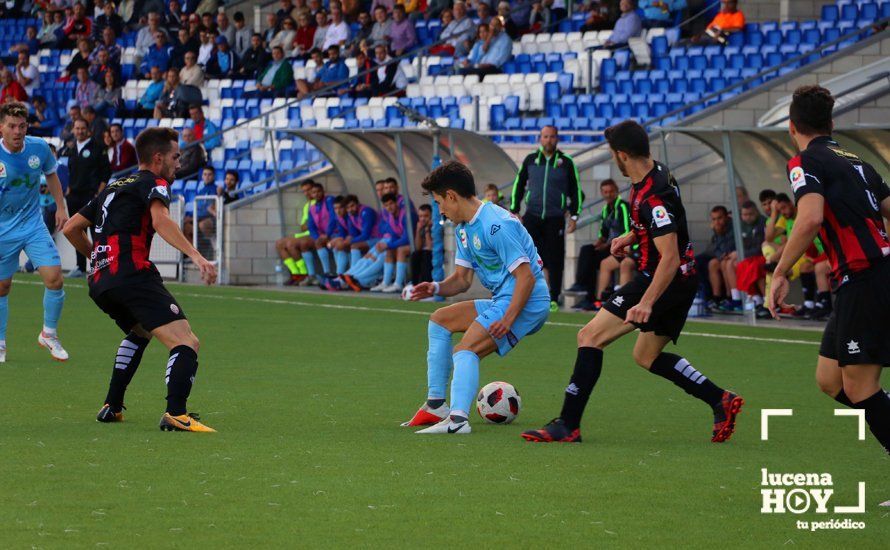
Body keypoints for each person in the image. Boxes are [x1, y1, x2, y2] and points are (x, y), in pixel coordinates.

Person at [522, 120, 744, 444]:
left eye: (613, 154)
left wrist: (647, 302)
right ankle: (719, 399)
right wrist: (630, 236)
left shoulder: (654, 195)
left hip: (661, 279)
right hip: (680, 279)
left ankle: (568, 423)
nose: (614, 159)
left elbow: (668, 256)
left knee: (589, 336)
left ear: (622, 155)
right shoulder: (655, 173)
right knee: (646, 356)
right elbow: (668, 225)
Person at [62, 126, 219, 432]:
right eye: (175, 157)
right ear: (158, 158)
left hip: (100, 283)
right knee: (186, 341)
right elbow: (161, 221)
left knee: (140, 331)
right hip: (132, 275)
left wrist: (98, 259)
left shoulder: (113, 186)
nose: (179, 163)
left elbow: (70, 228)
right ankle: (176, 414)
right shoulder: (154, 182)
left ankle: (112, 405)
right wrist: (197, 256)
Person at [768, 85, 890, 455]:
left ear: (792, 127)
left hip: (865, 276)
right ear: (831, 123)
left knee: (860, 387)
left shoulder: (805, 162)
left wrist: (780, 272)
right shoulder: (857, 160)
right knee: (829, 379)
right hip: (861, 279)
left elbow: (809, 219)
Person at [402, 161, 550, 434]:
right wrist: (434, 288)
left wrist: (508, 318)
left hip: (527, 300)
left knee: (465, 349)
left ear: (451, 196)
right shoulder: (463, 228)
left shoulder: (496, 224)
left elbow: (526, 277)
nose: (440, 210)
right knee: (440, 320)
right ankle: (436, 405)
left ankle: (458, 421)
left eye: (438, 202)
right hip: (504, 298)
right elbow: (461, 280)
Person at [0, 101, 70, 364]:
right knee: (2, 287)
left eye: (21, 126)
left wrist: (61, 208)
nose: (17, 131)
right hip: (3, 229)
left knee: (55, 280)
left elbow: (51, 174)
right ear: (1, 128)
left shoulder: (39, 148)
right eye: (11, 126)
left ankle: (49, 334)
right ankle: (0, 342)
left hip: (32, 224)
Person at [510, 125, 581, 310]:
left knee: (555, 259)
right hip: (532, 216)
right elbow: (518, 184)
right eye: (545, 136)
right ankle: (531, 295)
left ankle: (554, 298)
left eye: (552, 137)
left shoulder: (566, 162)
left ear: (557, 139)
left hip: (555, 217)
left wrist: (574, 216)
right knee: (529, 258)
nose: (548, 140)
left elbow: (576, 191)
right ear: (539, 139)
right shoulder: (531, 160)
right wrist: (514, 209)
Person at [572, 179, 634, 311]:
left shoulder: (623, 206)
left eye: (611, 191)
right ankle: (584, 291)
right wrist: (598, 244)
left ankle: (599, 300)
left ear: (616, 191)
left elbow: (628, 231)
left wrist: (608, 245)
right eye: (605, 192)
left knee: (602, 263)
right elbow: (603, 234)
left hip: (622, 247)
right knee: (587, 251)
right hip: (610, 247)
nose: (608, 194)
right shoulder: (606, 209)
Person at [65, 118, 111, 278]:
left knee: (95, 232)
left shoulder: (98, 147)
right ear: (73, 130)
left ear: (88, 130)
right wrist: (68, 190)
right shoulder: (70, 148)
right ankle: (80, 266)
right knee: (77, 232)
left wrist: (99, 193)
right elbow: (68, 171)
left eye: (82, 128)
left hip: (91, 196)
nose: (79, 131)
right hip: (74, 196)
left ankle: (98, 265)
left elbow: (106, 172)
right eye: (77, 128)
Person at [370, 192, 417, 293]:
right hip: (408, 243)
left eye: (391, 203)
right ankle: (386, 282)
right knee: (389, 250)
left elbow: (407, 238)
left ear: (396, 203)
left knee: (400, 250)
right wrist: (386, 245)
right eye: (386, 205)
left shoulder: (407, 214)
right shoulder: (391, 217)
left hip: (418, 243)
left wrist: (388, 244)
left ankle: (398, 284)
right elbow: (394, 235)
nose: (389, 207)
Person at [275, 180, 316, 285]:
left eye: (308, 190)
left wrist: (308, 225)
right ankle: (295, 273)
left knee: (290, 244)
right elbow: (303, 226)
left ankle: (303, 274)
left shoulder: (318, 203)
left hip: (313, 234)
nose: (306, 193)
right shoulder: (307, 205)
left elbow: (314, 224)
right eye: (304, 191)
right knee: (279, 243)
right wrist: (307, 225)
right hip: (305, 234)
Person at [734, 200, 769, 318]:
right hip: (749, 257)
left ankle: (766, 302)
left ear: (756, 213)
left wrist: (742, 253)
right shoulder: (740, 225)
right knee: (740, 265)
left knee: (754, 267)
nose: (747, 217)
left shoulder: (763, 222)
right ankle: (756, 299)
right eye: (745, 214)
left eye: (750, 214)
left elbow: (759, 245)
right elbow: (739, 244)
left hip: (763, 255)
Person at [703, 205, 740, 312]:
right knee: (713, 263)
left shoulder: (733, 226)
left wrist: (724, 254)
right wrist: (721, 255)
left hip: (736, 256)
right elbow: (716, 248)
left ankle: (730, 298)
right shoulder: (717, 229)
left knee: (725, 263)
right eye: (714, 219)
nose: (717, 222)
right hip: (726, 256)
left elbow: (732, 245)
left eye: (719, 218)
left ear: (726, 217)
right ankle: (717, 298)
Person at [411, 203, 434, 285]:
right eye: (420, 216)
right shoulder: (421, 226)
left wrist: (427, 230)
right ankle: (415, 284)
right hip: (426, 252)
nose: (423, 219)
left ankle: (426, 284)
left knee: (427, 254)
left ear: (431, 216)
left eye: (426, 216)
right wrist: (418, 230)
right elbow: (418, 247)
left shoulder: (436, 226)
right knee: (415, 254)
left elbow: (430, 247)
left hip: (436, 254)